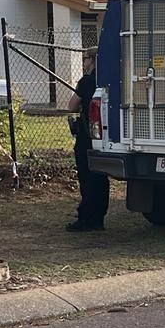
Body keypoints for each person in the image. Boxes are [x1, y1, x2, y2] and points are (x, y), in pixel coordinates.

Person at [65, 47, 110, 231]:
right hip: (105, 135)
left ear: (92, 60)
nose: (84, 62)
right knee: (100, 177)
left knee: (87, 176)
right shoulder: (107, 79)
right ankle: (98, 215)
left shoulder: (88, 81)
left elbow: (71, 106)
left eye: (85, 59)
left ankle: (87, 217)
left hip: (87, 134)